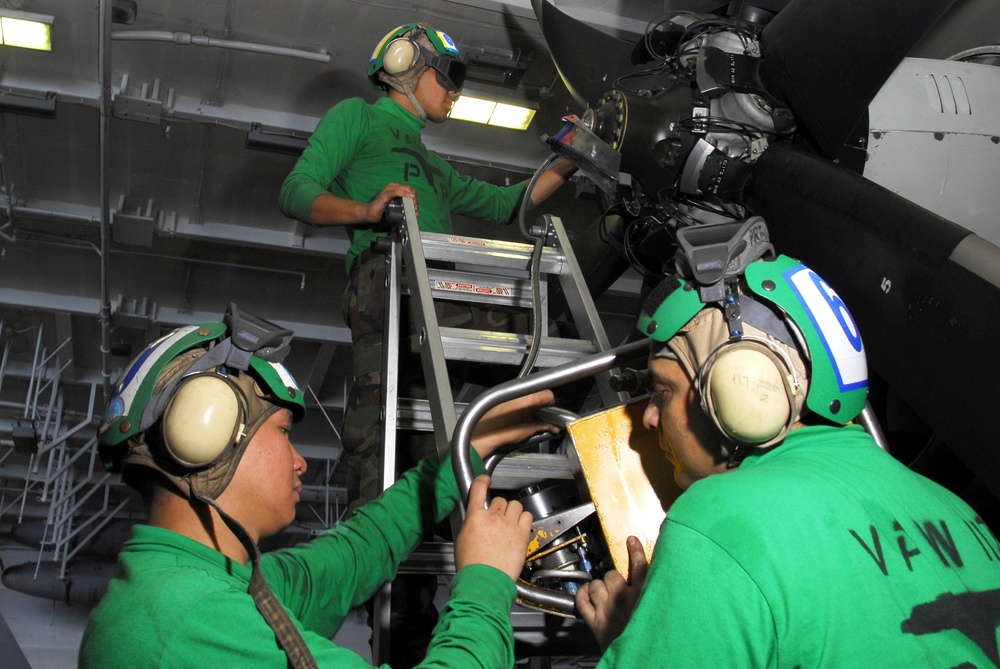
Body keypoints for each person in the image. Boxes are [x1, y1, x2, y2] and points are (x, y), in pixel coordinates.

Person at [574, 223, 1000, 667]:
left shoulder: (719, 519)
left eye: (662, 393)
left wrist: (630, 638)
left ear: (741, 390)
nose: (648, 417)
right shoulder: (958, 510)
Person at [78, 304, 556, 668]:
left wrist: (471, 443)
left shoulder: (203, 585)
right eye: (284, 431)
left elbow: (357, 552)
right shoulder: (187, 620)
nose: (301, 461)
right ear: (209, 432)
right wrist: (485, 584)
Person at [278, 21, 577, 513]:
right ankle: (374, 562)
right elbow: (296, 191)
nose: (457, 90)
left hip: (444, 292)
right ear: (404, 65)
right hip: (387, 282)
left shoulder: (433, 166)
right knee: (384, 437)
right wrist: (367, 211)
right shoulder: (358, 117)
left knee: (552, 343)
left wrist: (571, 155)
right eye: (449, 74)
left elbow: (508, 204)